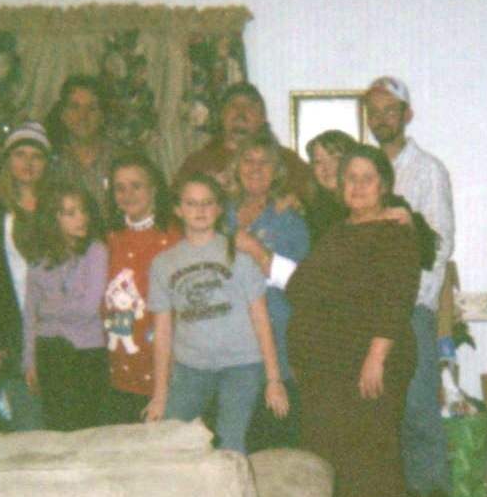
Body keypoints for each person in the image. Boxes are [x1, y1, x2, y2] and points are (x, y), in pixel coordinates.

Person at [287, 145, 421, 497]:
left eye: (367, 177)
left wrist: (376, 357)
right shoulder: (338, 231)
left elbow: (396, 297)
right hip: (332, 359)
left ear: (385, 185)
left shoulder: (396, 232)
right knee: (330, 444)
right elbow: (302, 286)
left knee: (373, 446)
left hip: (375, 355)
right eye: (350, 178)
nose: (358, 186)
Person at [365, 76, 458, 497]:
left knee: (419, 399)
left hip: (411, 305)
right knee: (385, 403)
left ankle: (436, 490)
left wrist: (413, 299)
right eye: (374, 111)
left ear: (407, 115)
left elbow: (440, 243)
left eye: (390, 110)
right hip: (368, 308)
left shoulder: (428, 171)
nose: (382, 119)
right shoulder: (362, 170)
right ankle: (405, 484)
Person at [145, 173, 288, 453]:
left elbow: (261, 318)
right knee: (168, 439)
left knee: (230, 442)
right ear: (178, 209)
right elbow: (162, 332)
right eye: (191, 203)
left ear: (219, 208)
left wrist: (274, 380)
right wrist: (160, 395)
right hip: (191, 367)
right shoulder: (163, 263)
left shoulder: (239, 254)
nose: (200, 210)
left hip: (241, 365)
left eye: (208, 203)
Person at [225, 134, 309, 451]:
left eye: (265, 162)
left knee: (274, 444)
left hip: (277, 341)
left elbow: (303, 285)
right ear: (235, 167)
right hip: (227, 345)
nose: (255, 168)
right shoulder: (217, 213)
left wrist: (255, 249)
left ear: (277, 172)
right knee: (232, 441)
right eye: (248, 160)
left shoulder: (289, 217)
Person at [0, 121, 51, 431]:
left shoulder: (60, 205)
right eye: (20, 154)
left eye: (36, 156)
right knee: (28, 421)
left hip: (58, 326)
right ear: (8, 160)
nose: (28, 163)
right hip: (13, 327)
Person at [101, 152, 181, 425]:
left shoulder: (175, 237)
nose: (128, 194)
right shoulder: (109, 239)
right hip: (120, 370)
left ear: (154, 189)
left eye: (136, 186)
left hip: (165, 374)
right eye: (120, 188)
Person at [22, 184, 109, 431]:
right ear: (52, 219)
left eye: (83, 211)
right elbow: (30, 314)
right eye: (70, 213)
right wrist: (29, 360)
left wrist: (48, 311)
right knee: (57, 426)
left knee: (88, 427)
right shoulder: (39, 259)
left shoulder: (95, 251)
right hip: (49, 352)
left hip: (86, 351)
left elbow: (89, 308)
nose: (81, 218)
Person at [305, 129, 437, 268]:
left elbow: (426, 257)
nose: (326, 167)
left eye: (335, 158)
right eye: (318, 162)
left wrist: (411, 228)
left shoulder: (388, 205)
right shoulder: (315, 212)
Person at [174, 82, 311, 201]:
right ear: (221, 116)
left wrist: (295, 201)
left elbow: (313, 200)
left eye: (250, 106)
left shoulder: (288, 161)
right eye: (233, 105)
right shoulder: (198, 163)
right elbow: (173, 208)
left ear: (262, 118)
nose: (240, 113)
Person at [46, 75, 117, 219]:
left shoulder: (121, 158)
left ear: (102, 116)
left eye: (92, 108)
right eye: (74, 107)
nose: (83, 116)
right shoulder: (49, 161)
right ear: (63, 114)